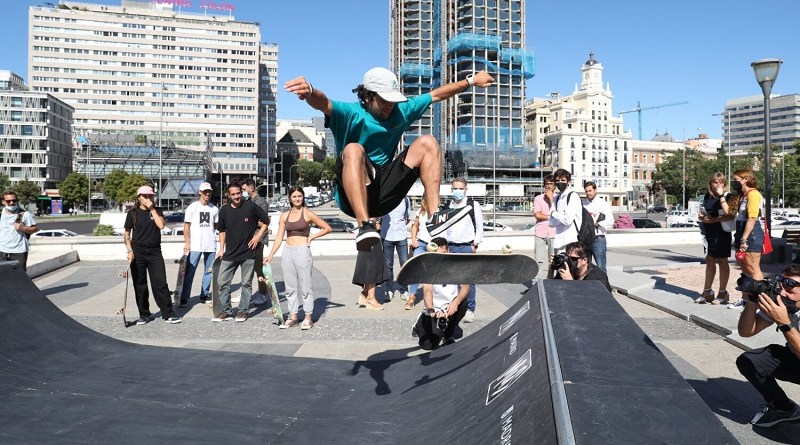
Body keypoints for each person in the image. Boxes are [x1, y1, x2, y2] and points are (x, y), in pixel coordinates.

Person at [284, 67, 495, 251]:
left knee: (429, 142)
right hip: (353, 196)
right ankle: (364, 226)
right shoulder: (350, 113)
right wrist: (310, 91)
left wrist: (471, 81)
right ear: (368, 96)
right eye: (385, 101)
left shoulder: (400, 111)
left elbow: (437, 95)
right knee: (353, 149)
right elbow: (324, 103)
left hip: (385, 192)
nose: (390, 107)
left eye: (393, 102)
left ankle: (434, 219)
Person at [736, 264, 800, 428]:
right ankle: (785, 408)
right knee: (750, 362)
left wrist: (784, 323)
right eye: (783, 288)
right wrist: (751, 302)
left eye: (790, 291)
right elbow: (746, 332)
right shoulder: (785, 303)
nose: (783, 294)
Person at [265, 186, 331, 330]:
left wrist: (312, 236)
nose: (297, 199)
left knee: (306, 286)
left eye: (299, 196)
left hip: (302, 251)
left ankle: (308, 317)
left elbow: (327, 228)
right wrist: (270, 255)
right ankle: (293, 316)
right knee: (290, 287)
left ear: (303, 198)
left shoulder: (307, 213)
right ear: (290, 198)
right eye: (294, 196)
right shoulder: (284, 216)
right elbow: (279, 238)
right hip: (288, 252)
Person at [124, 185, 182, 324]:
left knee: (160, 283)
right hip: (138, 252)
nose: (148, 198)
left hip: (155, 251)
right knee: (140, 284)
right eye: (145, 196)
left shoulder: (157, 210)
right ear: (139, 197)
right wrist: (129, 250)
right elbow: (127, 234)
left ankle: (168, 313)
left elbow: (161, 226)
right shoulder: (132, 213)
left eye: (150, 195)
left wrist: (152, 209)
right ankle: (144, 314)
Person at [213, 181, 270, 323]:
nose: (237, 196)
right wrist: (221, 249)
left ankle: (243, 311)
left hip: (248, 253)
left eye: (238, 193)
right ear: (228, 195)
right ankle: (226, 311)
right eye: (233, 194)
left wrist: (257, 237)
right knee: (222, 282)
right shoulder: (224, 210)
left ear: (241, 193)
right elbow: (222, 230)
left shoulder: (251, 207)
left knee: (246, 283)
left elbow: (266, 221)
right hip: (230, 254)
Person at [413, 236, 470, 350]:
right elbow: (427, 291)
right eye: (438, 254)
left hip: (450, 307)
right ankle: (421, 321)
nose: (441, 257)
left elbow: (465, 287)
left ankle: (448, 334)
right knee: (429, 345)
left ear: (447, 250)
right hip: (435, 310)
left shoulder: (455, 266)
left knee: (464, 302)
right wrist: (431, 309)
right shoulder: (429, 268)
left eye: (443, 253)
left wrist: (456, 302)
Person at [444, 177, 483, 323]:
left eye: (461, 189)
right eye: (455, 188)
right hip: (451, 246)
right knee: (452, 279)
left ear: (466, 189)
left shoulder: (473, 205)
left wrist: (475, 244)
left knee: (468, 280)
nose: (458, 191)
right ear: (451, 189)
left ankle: (470, 310)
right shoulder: (448, 205)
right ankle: (454, 307)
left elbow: (479, 227)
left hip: (466, 246)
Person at [728, 169, 765, 309]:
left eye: (736, 179)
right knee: (744, 268)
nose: (734, 182)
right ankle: (745, 299)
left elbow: (752, 218)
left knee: (753, 268)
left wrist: (744, 239)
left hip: (752, 234)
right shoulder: (743, 196)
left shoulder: (754, 194)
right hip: (742, 232)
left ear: (745, 179)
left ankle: (759, 301)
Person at [696, 173, 734, 305]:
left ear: (724, 184)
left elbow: (729, 214)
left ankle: (723, 292)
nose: (718, 185)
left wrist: (721, 195)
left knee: (722, 261)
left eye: (721, 182)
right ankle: (707, 291)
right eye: (715, 182)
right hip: (709, 231)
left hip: (722, 232)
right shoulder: (708, 196)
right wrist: (703, 217)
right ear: (710, 183)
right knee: (710, 259)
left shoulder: (728, 196)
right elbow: (706, 212)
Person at [180, 182, 219, 307]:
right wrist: (187, 243)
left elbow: (217, 227)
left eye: (209, 191)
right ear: (200, 192)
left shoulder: (214, 209)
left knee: (209, 271)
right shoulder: (192, 207)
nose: (207, 193)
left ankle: (204, 294)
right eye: (205, 191)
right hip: (195, 245)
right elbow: (186, 227)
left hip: (210, 245)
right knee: (190, 271)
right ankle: (184, 297)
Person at [241, 178, 271, 305]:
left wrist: (250, 220)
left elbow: (265, 222)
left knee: (259, 269)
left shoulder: (261, 202)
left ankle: (263, 294)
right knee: (247, 268)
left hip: (258, 240)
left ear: (251, 188)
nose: (242, 192)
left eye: (243, 189)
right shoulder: (247, 201)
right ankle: (245, 293)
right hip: (247, 239)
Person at [352, 217, 388, 311]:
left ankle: (365, 294)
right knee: (373, 266)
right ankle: (371, 299)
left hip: (366, 235)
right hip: (370, 235)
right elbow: (369, 217)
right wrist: (374, 222)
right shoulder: (369, 205)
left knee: (370, 265)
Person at [547, 241, 611, 292]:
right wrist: (551, 268)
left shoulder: (597, 278)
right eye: (567, 258)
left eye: (573, 259)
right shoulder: (568, 269)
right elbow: (549, 288)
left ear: (584, 260)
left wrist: (570, 282)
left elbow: (591, 300)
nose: (569, 261)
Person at [381, 197, 411, 302]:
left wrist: (399, 225)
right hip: (386, 235)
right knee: (388, 265)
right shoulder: (384, 199)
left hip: (401, 236)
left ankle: (404, 289)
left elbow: (407, 218)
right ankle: (389, 289)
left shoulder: (406, 200)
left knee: (404, 264)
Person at [0, 190, 39, 270]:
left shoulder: (23, 214)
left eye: (14, 200)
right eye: (8, 201)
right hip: (2, 250)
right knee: (3, 276)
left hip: (19, 251)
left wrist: (23, 228)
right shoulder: (0, 214)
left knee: (19, 276)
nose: (11, 203)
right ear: (3, 202)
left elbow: (35, 229)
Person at [582, 181, 613, 273]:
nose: (588, 193)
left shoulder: (603, 204)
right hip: (585, 239)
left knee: (601, 267)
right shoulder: (582, 204)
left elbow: (611, 221)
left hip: (598, 239)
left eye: (590, 191)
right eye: (586, 191)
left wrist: (597, 223)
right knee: (585, 266)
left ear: (595, 190)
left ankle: (603, 286)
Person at [549, 169, 582, 254]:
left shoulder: (573, 196)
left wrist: (554, 213)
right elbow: (551, 223)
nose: (560, 182)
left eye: (563, 180)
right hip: (559, 241)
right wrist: (560, 217)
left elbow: (567, 220)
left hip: (571, 241)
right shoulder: (556, 198)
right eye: (557, 180)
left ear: (568, 182)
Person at [406, 200, 432, 310]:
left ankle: (429, 299)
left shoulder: (440, 211)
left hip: (434, 245)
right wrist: (413, 240)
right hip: (420, 244)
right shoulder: (420, 212)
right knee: (416, 269)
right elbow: (414, 226)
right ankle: (412, 297)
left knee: (430, 273)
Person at [533, 175, 556, 275]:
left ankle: (552, 282)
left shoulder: (558, 199)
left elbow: (560, 215)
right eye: (547, 184)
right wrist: (553, 217)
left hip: (554, 233)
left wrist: (551, 199)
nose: (549, 186)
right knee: (538, 260)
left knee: (554, 261)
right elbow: (538, 215)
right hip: (540, 232)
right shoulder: (538, 198)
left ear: (555, 185)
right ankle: (537, 283)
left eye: (551, 184)